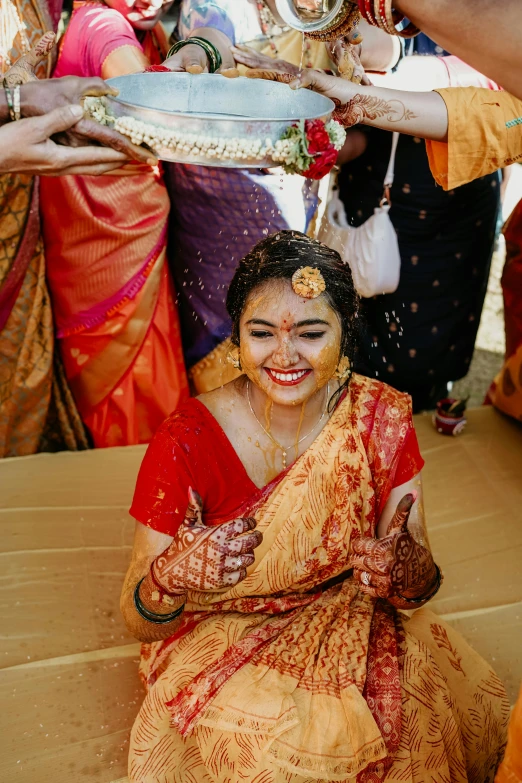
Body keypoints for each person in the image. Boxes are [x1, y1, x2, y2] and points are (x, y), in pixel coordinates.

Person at [121, 231, 509, 783]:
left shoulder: (377, 417)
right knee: (271, 754)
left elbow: (419, 582)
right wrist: (171, 579)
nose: (283, 355)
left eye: (310, 332)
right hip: (222, 632)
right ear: (236, 338)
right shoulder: (186, 438)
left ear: (345, 334)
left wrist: (406, 570)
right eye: (261, 333)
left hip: (357, 616)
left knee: (414, 735)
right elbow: (138, 617)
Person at [39, 0, 189, 448]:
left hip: (104, 242)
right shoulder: (106, 26)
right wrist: (209, 51)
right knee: (140, 407)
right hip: (115, 254)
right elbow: (157, 112)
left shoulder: (136, 29)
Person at [337, 37, 501, 411]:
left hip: (452, 186)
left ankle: (422, 427)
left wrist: (396, 60)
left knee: (425, 339)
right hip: (375, 176)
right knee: (357, 317)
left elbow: (499, 76)